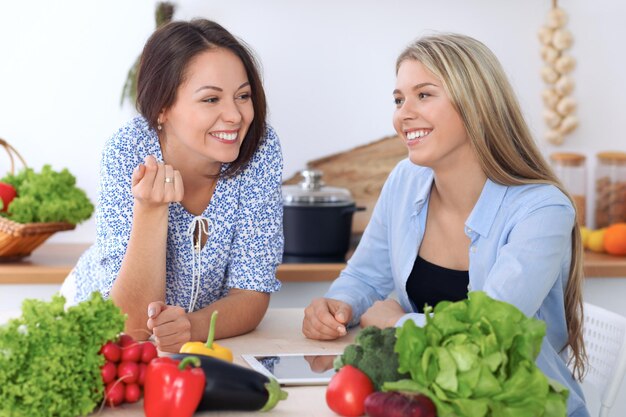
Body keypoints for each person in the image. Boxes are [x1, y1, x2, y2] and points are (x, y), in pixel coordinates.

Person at [302, 33, 589, 416]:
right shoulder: (405, 181)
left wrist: (399, 324)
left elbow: (490, 335)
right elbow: (366, 277)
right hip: (427, 403)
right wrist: (338, 307)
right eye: (399, 99)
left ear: (476, 103)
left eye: (424, 95)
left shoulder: (542, 209)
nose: (404, 113)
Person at [60, 19, 284, 352]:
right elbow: (130, 327)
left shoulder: (260, 149)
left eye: (243, 95)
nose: (235, 116)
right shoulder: (128, 151)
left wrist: (189, 327)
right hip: (105, 337)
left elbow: (251, 294)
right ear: (163, 108)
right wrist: (150, 211)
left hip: (201, 340)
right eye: (211, 100)